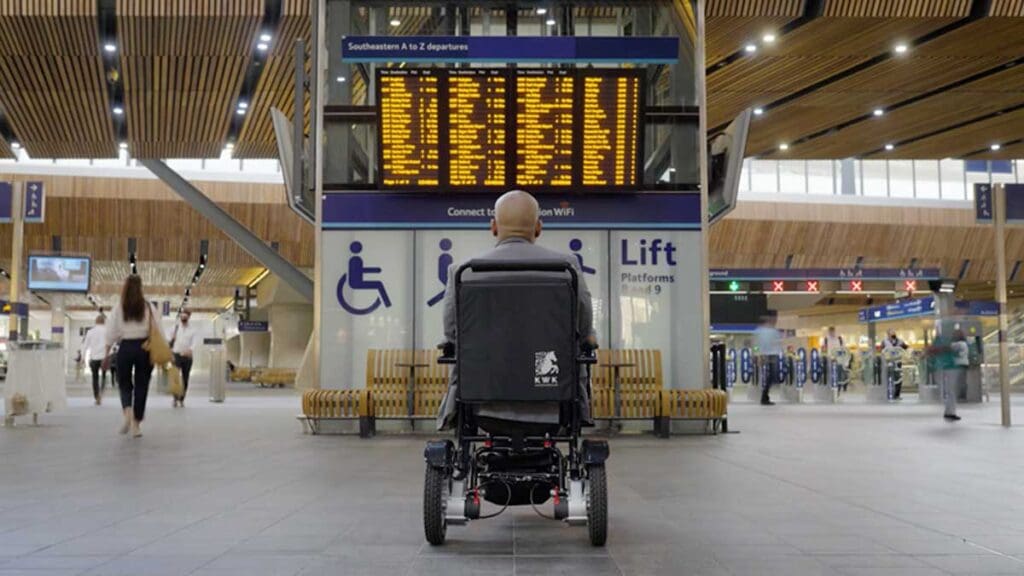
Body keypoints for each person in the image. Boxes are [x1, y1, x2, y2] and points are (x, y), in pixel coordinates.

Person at [436, 190, 595, 431]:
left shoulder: (464, 272)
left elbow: (451, 330)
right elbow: (583, 321)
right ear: (538, 227)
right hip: (552, 400)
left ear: (493, 227)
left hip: (482, 401)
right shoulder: (565, 268)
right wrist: (587, 338)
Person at [103, 275, 156, 438]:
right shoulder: (148, 306)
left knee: (124, 383)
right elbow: (158, 328)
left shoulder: (119, 306)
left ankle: (127, 413)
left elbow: (111, 331)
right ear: (141, 287)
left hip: (125, 347)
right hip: (144, 348)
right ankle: (136, 425)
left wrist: (106, 353)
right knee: (142, 385)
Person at [928, 322, 963, 421]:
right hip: (948, 367)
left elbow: (933, 351)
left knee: (949, 391)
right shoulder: (945, 340)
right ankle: (950, 412)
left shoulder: (941, 340)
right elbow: (949, 350)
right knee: (950, 391)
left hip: (943, 367)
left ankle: (950, 411)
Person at [170, 309, 199, 407]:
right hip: (176, 355)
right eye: (182, 317)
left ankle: (182, 398)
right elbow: (168, 341)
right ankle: (175, 398)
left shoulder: (193, 330)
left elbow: (195, 343)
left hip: (187, 357)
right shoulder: (175, 328)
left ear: (188, 317)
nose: (183, 318)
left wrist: (190, 350)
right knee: (175, 378)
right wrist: (171, 339)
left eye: (185, 317)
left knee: (185, 378)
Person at [78, 315, 108, 405]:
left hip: (94, 358)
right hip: (104, 358)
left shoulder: (90, 332)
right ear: (104, 322)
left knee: (95, 378)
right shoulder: (107, 331)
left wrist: (83, 357)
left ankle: (96, 396)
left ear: (96, 322)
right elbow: (112, 344)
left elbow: (85, 345)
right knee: (103, 376)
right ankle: (100, 395)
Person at [753, 313, 782, 405]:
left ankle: (765, 395)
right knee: (769, 375)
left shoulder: (773, 331)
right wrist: (757, 354)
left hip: (771, 355)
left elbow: (777, 344)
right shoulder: (761, 331)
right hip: (767, 355)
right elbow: (756, 345)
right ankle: (764, 396)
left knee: (771, 376)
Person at [882, 329, 909, 399]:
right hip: (889, 363)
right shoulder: (884, 341)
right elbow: (882, 352)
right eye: (891, 333)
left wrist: (904, 354)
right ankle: (889, 393)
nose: (892, 335)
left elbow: (906, 348)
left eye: (893, 333)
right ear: (888, 334)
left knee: (898, 378)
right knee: (889, 378)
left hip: (898, 362)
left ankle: (897, 394)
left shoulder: (900, 341)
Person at [822, 326, 848, 392]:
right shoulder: (826, 339)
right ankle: (832, 388)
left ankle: (839, 388)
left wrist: (845, 362)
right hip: (830, 360)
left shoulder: (839, 338)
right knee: (831, 374)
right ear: (828, 332)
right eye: (830, 332)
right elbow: (823, 350)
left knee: (839, 374)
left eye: (833, 331)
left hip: (839, 360)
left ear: (834, 331)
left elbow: (844, 350)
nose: (832, 333)